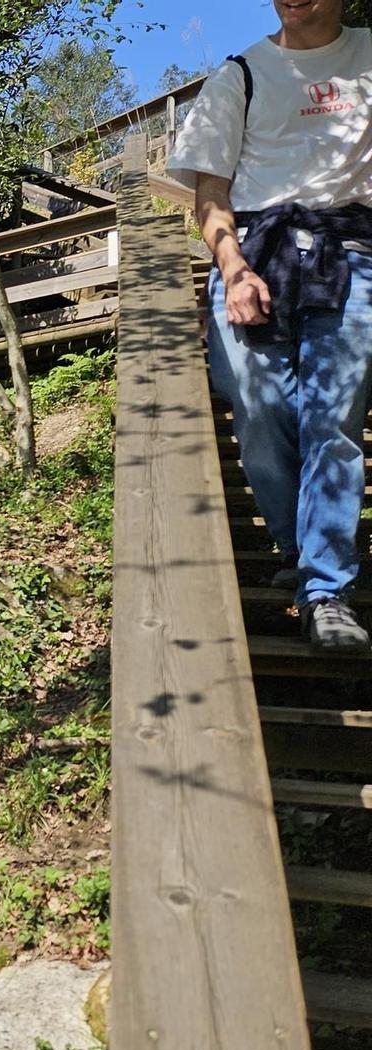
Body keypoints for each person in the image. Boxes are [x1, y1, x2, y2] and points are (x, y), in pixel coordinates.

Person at [170, 0, 372, 649]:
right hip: (254, 251)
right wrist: (232, 271)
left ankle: (326, 588)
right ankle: (293, 540)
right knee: (257, 411)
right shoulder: (240, 75)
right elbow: (210, 192)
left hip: (351, 253)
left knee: (332, 420)